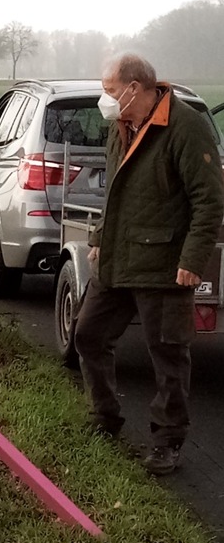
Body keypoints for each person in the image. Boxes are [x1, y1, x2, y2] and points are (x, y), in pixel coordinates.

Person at [74, 52, 224, 476]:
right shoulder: (120, 125)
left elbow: (209, 201)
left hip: (164, 265)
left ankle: (167, 441)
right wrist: (102, 237)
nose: (105, 99)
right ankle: (105, 417)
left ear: (134, 88)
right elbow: (116, 193)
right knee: (88, 335)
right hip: (119, 260)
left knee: (169, 357)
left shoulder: (186, 128)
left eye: (109, 90)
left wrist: (193, 260)